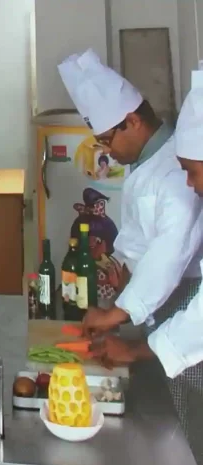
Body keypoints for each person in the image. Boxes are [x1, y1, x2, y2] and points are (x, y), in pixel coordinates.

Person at [92, 66, 203, 465]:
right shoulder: (149, 169)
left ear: (132, 122)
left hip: (182, 331)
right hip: (171, 325)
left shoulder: (175, 180)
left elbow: (175, 254)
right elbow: (144, 246)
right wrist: (122, 287)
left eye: (194, 173)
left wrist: (129, 331)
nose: (191, 185)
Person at [58, 49, 203, 338]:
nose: (107, 151)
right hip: (143, 300)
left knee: (171, 363)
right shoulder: (142, 162)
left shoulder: (178, 168)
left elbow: (170, 250)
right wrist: (121, 282)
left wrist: (118, 312)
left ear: (133, 121)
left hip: (180, 301)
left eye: (107, 140)